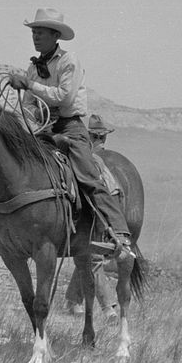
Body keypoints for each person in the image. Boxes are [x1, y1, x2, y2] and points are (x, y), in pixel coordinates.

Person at [0, 8, 134, 262]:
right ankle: (2, 235)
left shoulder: (69, 61)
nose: (35, 37)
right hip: (42, 127)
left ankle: (119, 234)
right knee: (15, 167)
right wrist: (22, 123)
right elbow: (28, 105)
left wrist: (30, 85)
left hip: (70, 127)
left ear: (54, 35)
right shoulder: (33, 67)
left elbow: (64, 96)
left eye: (40, 32)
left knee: (87, 175)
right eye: (34, 32)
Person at [64, 114, 119, 318]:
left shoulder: (91, 158)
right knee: (89, 256)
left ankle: (94, 304)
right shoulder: (94, 159)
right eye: (101, 138)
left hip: (93, 215)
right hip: (96, 214)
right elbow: (113, 192)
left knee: (89, 257)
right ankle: (92, 304)